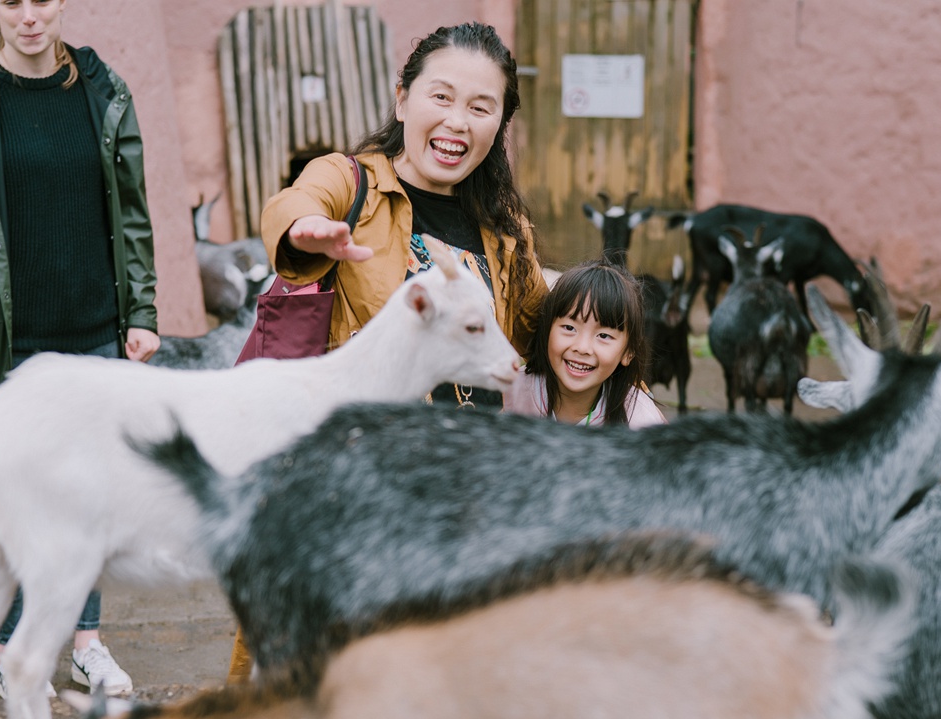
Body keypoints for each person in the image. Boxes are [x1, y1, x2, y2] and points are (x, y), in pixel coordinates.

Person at [0, 0, 160, 698]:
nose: (29, 16)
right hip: (13, 339)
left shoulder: (102, 88)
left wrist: (142, 309)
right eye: (12, 1)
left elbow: (130, 207)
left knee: (90, 492)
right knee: (21, 496)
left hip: (94, 326)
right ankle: (10, 643)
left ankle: (86, 642)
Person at [259, 21, 548, 411]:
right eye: (442, 97)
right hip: (367, 455)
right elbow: (297, 200)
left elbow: (543, 332)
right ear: (402, 100)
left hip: (472, 461)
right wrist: (304, 226)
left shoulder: (506, 226)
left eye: (479, 107)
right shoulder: (347, 180)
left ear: (498, 126)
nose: (458, 122)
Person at [504, 259, 667, 428]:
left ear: (628, 352)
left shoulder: (640, 421)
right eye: (569, 327)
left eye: (603, 335)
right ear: (547, 331)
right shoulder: (508, 395)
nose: (582, 348)